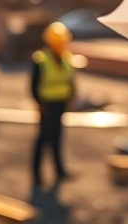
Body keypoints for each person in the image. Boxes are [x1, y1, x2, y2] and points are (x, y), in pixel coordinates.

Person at [31, 21, 76, 187]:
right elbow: (33, 85)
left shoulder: (66, 58)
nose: (62, 45)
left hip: (60, 104)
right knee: (43, 140)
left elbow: (70, 80)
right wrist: (39, 103)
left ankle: (60, 171)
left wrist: (71, 97)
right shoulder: (41, 59)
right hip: (47, 105)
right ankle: (36, 176)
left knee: (58, 139)